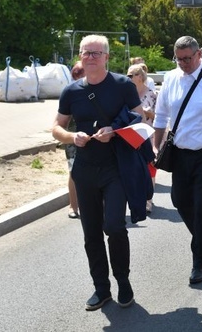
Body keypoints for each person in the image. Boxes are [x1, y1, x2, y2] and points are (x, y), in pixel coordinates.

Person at [52, 35, 145, 311]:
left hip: (115, 167)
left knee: (114, 226)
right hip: (85, 169)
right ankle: (101, 288)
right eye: (85, 53)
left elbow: (138, 116)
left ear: (106, 57)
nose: (90, 57)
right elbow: (56, 127)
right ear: (80, 57)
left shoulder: (122, 85)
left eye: (95, 53)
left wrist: (113, 131)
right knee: (91, 233)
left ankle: (123, 281)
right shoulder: (71, 91)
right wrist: (72, 137)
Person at [152, 36, 202, 285]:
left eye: (188, 58)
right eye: (179, 58)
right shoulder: (171, 79)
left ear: (200, 54)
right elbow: (162, 114)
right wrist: (156, 144)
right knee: (180, 200)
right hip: (181, 150)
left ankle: (200, 261)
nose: (184, 63)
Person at [127, 63, 158, 214]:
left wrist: (147, 113)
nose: (128, 78)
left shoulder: (151, 94)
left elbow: (159, 116)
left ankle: (148, 201)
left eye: (130, 75)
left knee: (149, 167)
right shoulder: (126, 94)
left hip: (148, 136)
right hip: (131, 136)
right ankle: (136, 199)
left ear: (139, 77)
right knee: (133, 168)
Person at [64, 61, 84, 219]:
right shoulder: (71, 92)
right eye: (76, 75)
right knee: (73, 172)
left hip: (92, 137)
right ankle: (73, 205)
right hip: (73, 138)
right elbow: (62, 119)